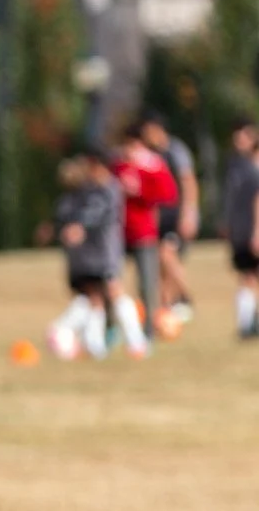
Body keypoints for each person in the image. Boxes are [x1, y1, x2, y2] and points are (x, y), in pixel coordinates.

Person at [44, 152, 146, 360]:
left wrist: (80, 226)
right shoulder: (85, 191)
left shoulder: (109, 189)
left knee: (114, 290)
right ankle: (95, 345)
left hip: (105, 250)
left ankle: (136, 342)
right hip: (87, 253)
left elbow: (95, 213)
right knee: (94, 297)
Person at [113, 123, 179, 339]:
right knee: (112, 283)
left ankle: (148, 331)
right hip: (117, 233)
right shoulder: (118, 166)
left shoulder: (153, 166)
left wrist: (140, 190)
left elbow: (169, 194)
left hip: (143, 232)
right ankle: (114, 327)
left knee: (147, 285)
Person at [140, 112, 199, 325]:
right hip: (161, 217)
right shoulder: (152, 154)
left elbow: (188, 181)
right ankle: (167, 309)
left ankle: (186, 298)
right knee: (161, 266)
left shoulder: (175, 150)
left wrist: (189, 213)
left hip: (177, 215)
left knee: (167, 254)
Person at [223, 117, 259, 340]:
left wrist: (257, 231)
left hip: (253, 230)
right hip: (240, 230)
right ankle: (246, 324)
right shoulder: (234, 165)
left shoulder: (254, 165)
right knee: (246, 275)